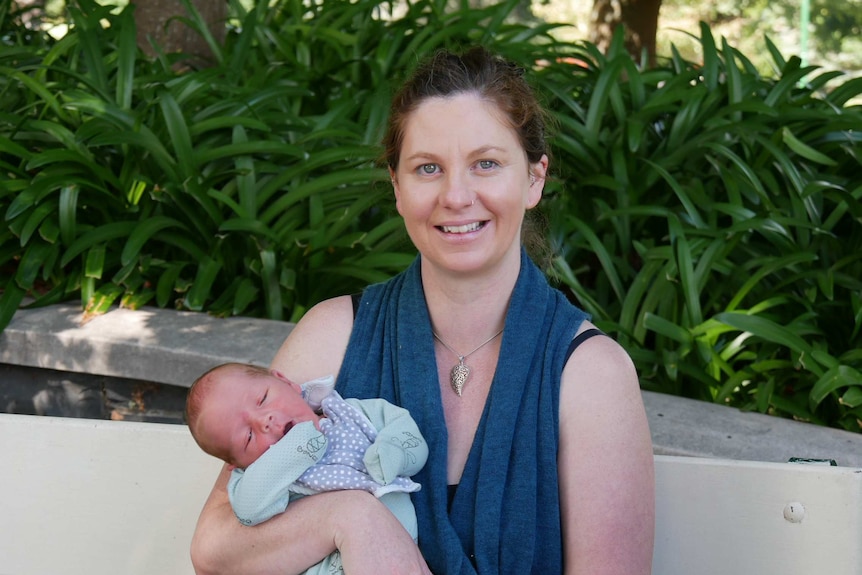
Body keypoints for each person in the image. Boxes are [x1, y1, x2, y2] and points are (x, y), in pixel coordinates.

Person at [191, 46, 655, 575]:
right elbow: (213, 545)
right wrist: (353, 518)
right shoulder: (335, 332)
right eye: (427, 168)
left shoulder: (591, 373)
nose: (456, 196)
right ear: (397, 186)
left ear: (534, 178)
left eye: (486, 163)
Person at [186, 363, 428, 574]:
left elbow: (406, 432)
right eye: (248, 436)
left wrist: (392, 452)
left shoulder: (351, 413)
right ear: (236, 464)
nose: (264, 421)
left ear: (286, 382)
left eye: (262, 399)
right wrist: (296, 448)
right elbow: (248, 510)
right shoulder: (258, 478)